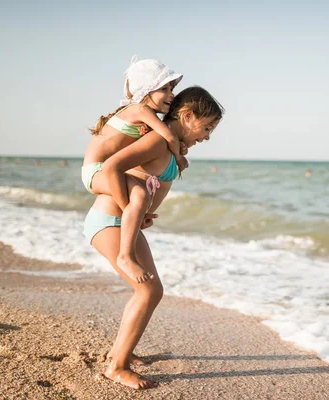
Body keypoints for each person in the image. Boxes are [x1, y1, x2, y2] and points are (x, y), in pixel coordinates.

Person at [84, 86, 224, 389]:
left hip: (122, 224)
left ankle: (121, 353)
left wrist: (178, 157)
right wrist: (129, 207)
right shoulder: (159, 142)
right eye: (207, 127)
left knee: (150, 290)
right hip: (110, 221)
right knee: (148, 291)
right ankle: (117, 367)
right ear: (187, 116)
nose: (209, 135)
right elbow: (111, 167)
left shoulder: (168, 145)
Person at [82, 57, 188, 284]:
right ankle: (126, 256)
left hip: (97, 170)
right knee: (139, 195)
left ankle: (133, 221)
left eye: (172, 88)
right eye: (165, 88)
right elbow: (168, 136)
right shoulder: (139, 109)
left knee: (139, 197)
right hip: (95, 171)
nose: (171, 95)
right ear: (146, 90)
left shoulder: (138, 114)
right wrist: (180, 159)